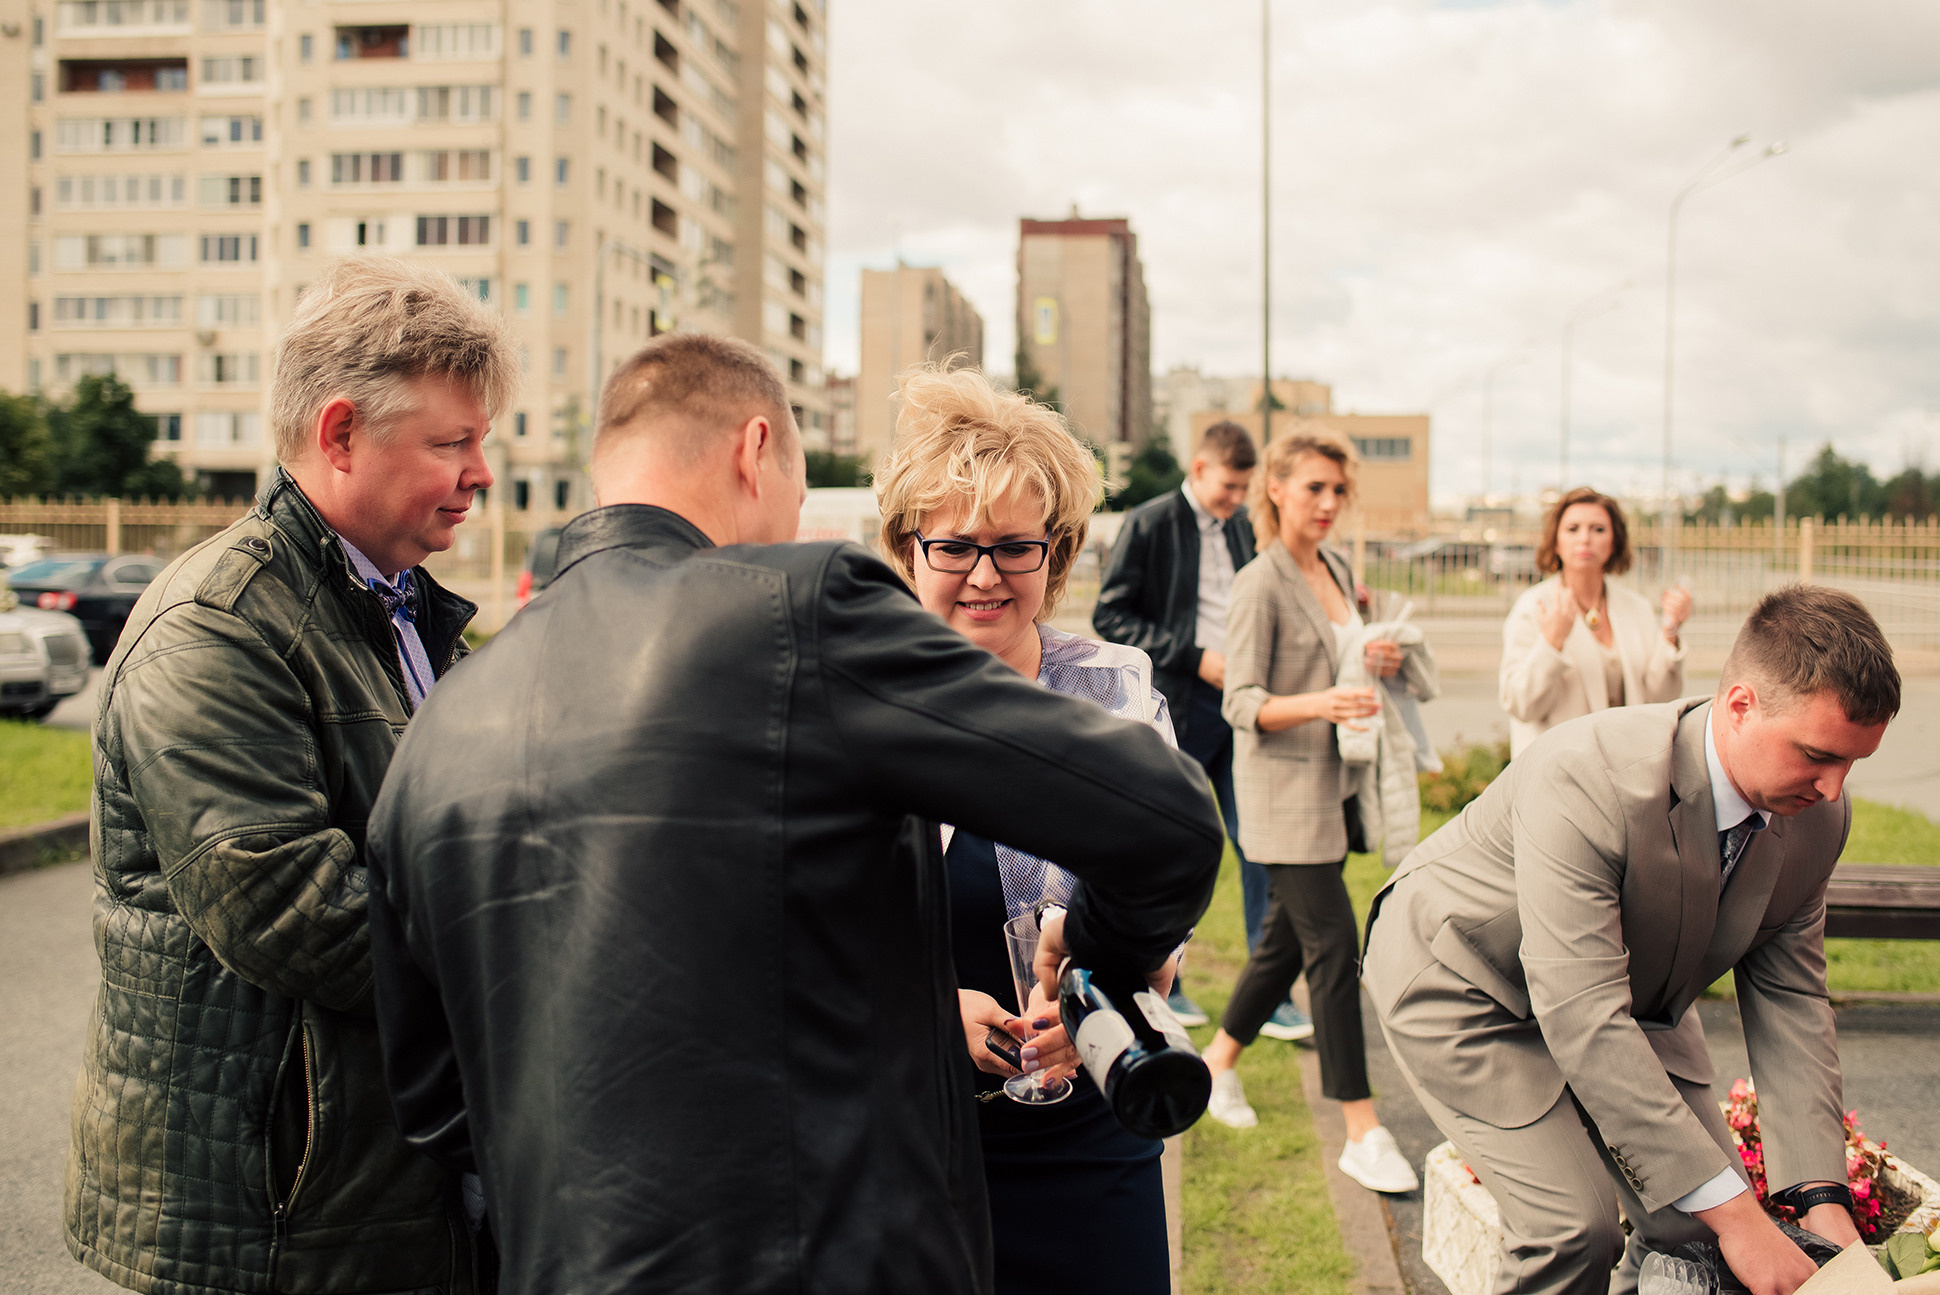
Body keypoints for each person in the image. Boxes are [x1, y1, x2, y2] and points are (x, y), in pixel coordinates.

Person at [362, 334, 1226, 1295]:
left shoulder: (445, 714)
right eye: (801, 483)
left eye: (1015, 546)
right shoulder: (796, 617)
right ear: (754, 449)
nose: (984, 573)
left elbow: (438, 1100)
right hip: (826, 1234)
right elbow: (1167, 823)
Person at [64, 256, 516, 1295]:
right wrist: (543, 951)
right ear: (341, 430)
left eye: (481, 439)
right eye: (452, 441)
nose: (480, 472)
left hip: (379, 1180)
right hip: (273, 1213)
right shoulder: (219, 624)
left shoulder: (408, 613)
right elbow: (288, 905)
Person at [1365, 584, 1899, 1295]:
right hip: (1467, 979)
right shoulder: (1589, 775)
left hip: (1622, 991)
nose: (1833, 789)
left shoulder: (1817, 817)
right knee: (1571, 1229)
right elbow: (1580, 1014)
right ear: (1740, 704)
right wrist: (1743, 1219)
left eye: (1852, 764)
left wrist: (1818, 1198)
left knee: (1694, 1224)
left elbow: (1792, 1002)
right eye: (1816, 754)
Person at [875, 366, 1176, 1295]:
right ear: (906, 548)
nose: (984, 575)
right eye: (954, 545)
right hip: (908, 1146)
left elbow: (1164, 926)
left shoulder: (1114, 697)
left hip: (1088, 1137)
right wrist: (927, 1009)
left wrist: (1098, 976)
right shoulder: (850, 707)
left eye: (1016, 547)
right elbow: (794, 941)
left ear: (1058, 552)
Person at [1199, 429, 1421, 1195]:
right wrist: (1322, 702)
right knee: (1334, 943)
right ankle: (1361, 1126)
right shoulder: (1260, 581)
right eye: (1313, 489)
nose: (1327, 503)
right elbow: (1242, 702)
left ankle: (1216, 1064)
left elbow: (1344, 654)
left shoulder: (1336, 566)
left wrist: (1375, 659)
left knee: (1284, 945)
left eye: (1337, 490)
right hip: (1281, 795)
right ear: (1277, 491)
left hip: (1333, 791)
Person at [1096, 421, 1313, 1040]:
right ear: (1198, 470)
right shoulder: (1150, 522)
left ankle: (1268, 997)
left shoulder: (1247, 526)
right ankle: (1166, 984)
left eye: (1245, 488)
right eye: (1228, 486)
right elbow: (1111, 612)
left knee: (1258, 847)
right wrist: (1194, 656)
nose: (1236, 500)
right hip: (1177, 711)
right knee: (1171, 849)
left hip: (1243, 713)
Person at [1500, 486, 1693, 757]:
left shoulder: (1636, 608)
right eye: (1573, 529)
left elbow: (1659, 700)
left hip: (1628, 772)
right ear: (1555, 541)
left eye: (1598, 529)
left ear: (1614, 542)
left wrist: (1670, 632)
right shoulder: (1534, 607)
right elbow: (1520, 704)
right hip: (1558, 778)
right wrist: (1552, 642)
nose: (1585, 539)